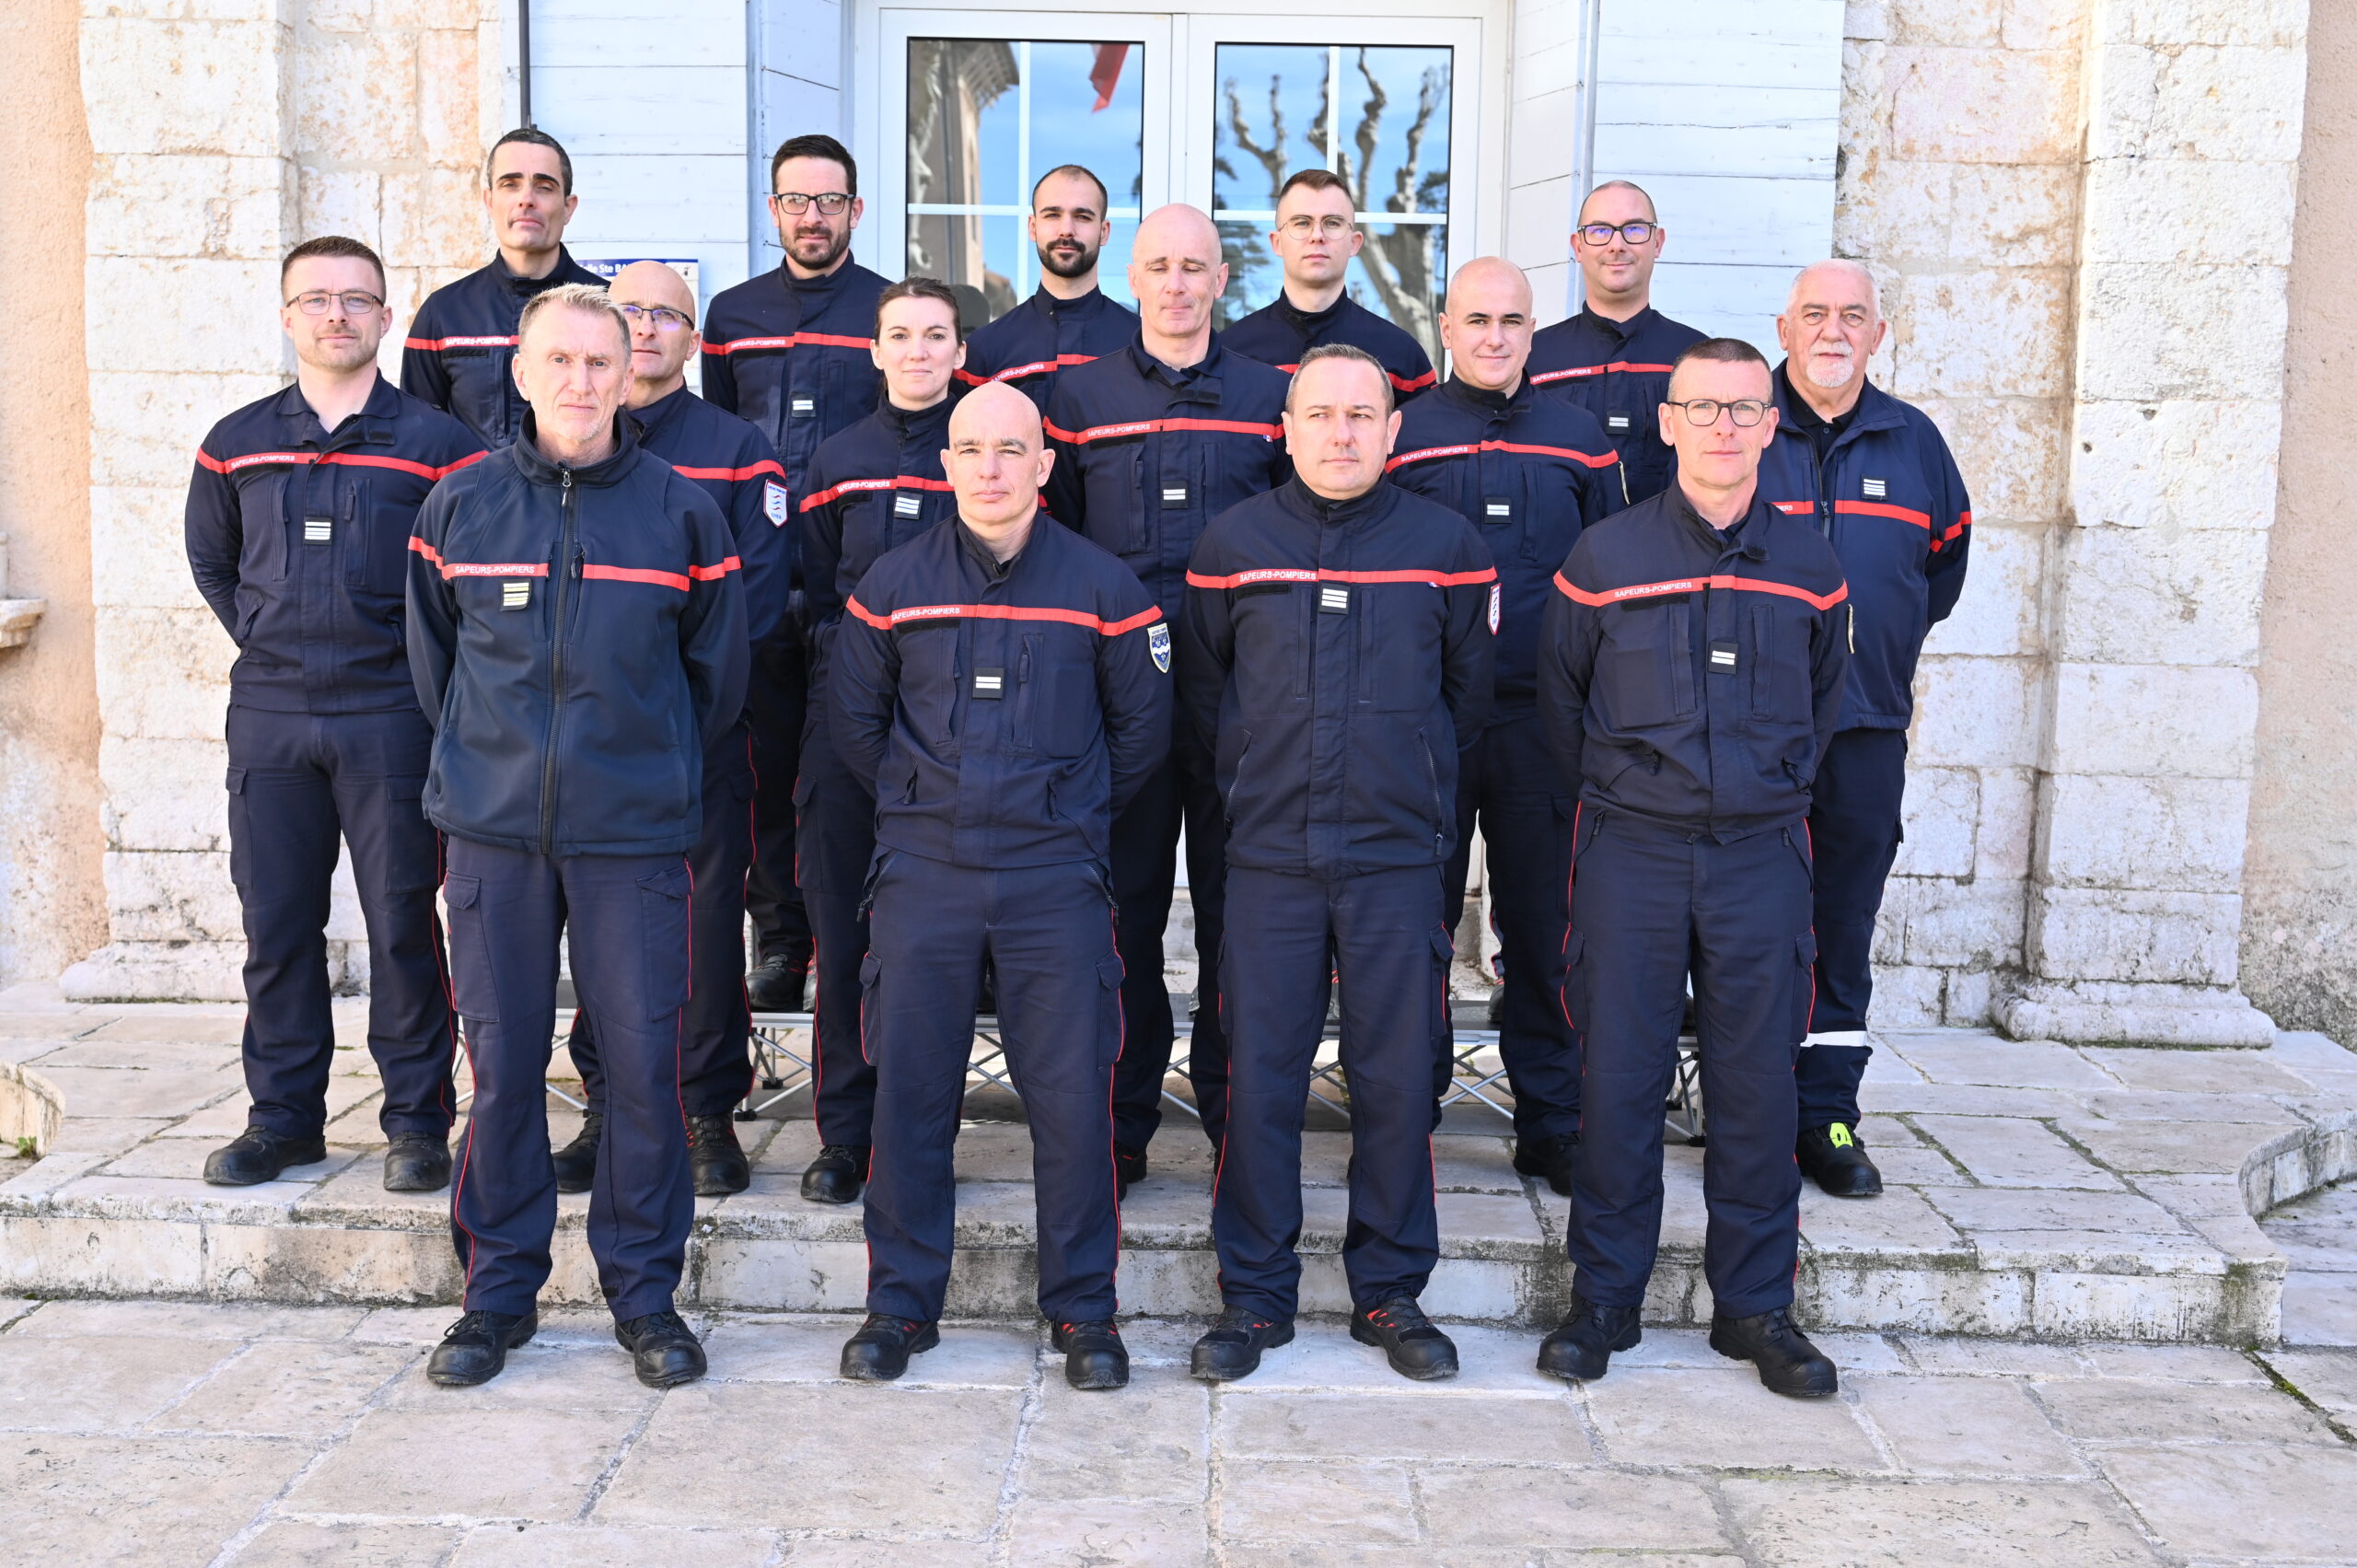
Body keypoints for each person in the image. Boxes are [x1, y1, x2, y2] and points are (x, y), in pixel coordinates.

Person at [406, 285, 747, 1389]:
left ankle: (644, 1296)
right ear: (521, 369)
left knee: (642, 1071)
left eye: (601, 360)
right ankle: (495, 1297)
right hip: (495, 837)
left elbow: (715, 679)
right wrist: (491, 767)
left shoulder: (682, 514)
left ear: (631, 370)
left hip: (632, 838)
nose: (581, 380)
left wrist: (644, 768)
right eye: (559, 359)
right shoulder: (458, 506)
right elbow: (436, 669)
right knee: (504, 1068)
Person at [830, 383, 1170, 1388]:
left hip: (1053, 878)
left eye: (1011, 448)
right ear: (945, 463)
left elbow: (1141, 732)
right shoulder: (892, 583)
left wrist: (1064, 811)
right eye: (970, 448)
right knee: (911, 1095)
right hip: (924, 876)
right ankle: (900, 1305)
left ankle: (1084, 1311)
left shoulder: (1105, 587)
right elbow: (855, 724)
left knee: (1071, 1103)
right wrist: (919, 803)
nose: (989, 467)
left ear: (1044, 464)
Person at [1534, 337, 1848, 1397]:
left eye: (1743, 408)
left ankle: (1754, 1306)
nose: (1722, 425)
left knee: (1755, 1084)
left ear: (1770, 424)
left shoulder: (1810, 566)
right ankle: (1603, 1298)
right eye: (1702, 406)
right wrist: (1636, 794)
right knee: (1618, 1077)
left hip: (1760, 856)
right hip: (1633, 851)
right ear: (1666, 422)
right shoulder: (1602, 558)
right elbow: (1560, 705)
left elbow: (1824, 704)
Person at [1181, 344, 1495, 1384]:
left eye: (1363, 414)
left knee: (1397, 1080)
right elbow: (1207, 697)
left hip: (1394, 859)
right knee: (1258, 1082)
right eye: (1320, 414)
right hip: (1269, 858)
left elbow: (1467, 700)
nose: (1342, 432)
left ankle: (1390, 1290)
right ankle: (1255, 1295)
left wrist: (1415, 790)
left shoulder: (1446, 547)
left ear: (1394, 430)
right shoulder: (1232, 544)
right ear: (1287, 427)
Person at [185, 236, 485, 1192]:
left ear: (386, 317)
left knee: (402, 920)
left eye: (356, 298)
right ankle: (283, 1119)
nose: (336, 314)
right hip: (271, 713)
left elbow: (470, 574)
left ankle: (416, 1121)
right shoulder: (235, 441)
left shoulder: (439, 446)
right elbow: (212, 561)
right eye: (315, 298)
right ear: (287, 316)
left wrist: (415, 665)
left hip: (390, 712)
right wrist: (264, 634)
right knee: (277, 921)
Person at [1042, 203, 1292, 1187]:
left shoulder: (1272, 394)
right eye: (1160, 266)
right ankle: (1120, 1123)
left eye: (1196, 266)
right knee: (1123, 917)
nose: (1178, 284)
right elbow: (1058, 543)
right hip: (1119, 700)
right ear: (1132, 277)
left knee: (1242, 920)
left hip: (1247, 702)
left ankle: (1236, 1119)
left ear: (1223, 280)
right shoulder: (1078, 396)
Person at [549, 261, 794, 1200]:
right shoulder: (566, 446)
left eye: (667, 314)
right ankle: (607, 1106)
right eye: (631, 312)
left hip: (696, 738)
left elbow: (750, 606)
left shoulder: (735, 450)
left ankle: (704, 1112)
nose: (647, 327)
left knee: (701, 931)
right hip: (583, 749)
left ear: (695, 339)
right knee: (596, 932)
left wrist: (662, 707)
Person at [1386, 257, 1622, 1191]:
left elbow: (1610, 573)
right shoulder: (1403, 433)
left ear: (1533, 331)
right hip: (1426, 721)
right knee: (1416, 923)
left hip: (1542, 722)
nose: (1494, 336)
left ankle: (1551, 1119)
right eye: (1476, 320)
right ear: (1446, 328)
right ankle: (1409, 1110)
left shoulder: (1579, 439)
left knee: (1545, 926)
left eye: (1511, 321)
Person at [1759, 259, 1972, 1198]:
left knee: (1840, 926)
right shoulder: (1742, 424)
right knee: (1737, 922)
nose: (1832, 329)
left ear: (1878, 334)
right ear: (1784, 329)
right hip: (1750, 733)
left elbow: (1939, 572)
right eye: (1814, 313)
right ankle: (1743, 1103)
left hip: (1863, 730)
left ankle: (1826, 1113)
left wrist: (1868, 650)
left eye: (1853, 315)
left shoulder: (1914, 441)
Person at [702, 132, 891, 1016]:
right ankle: (782, 943)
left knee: (861, 775)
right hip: (757, 584)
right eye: (796, 200)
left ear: (857, 209)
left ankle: (869, 935)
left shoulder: (888, 311)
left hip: (858, 586)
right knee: (769, 775)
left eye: (830, 201)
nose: (813, 217)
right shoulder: (732, 316)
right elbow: (716, 443)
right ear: (773, 208)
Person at [790, 277, 970, 1205]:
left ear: (958, 351)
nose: (917, 351)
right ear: (875, 349)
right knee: (844, 931)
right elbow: (815, 585)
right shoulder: (837, 457)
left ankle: (926, 1133)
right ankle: (845, 1134)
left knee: (940, 943)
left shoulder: (983, 449)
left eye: (935, 335)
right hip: (847, 716)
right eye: (901, 334)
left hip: (959, 726)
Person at [402, 128, 605, 449]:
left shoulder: (609, 308)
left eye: (544, 187)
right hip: (473, 485)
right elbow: (417, 435)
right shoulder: (443, 313)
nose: (527, 199)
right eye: (510, 184)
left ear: (568, 207)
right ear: (489, 200)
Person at [1527, 180, 1705, 506]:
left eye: (1634, 230)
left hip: (1671, 538)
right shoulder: (1535, 359)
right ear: (1578, 247)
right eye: (1600, 231)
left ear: (1658, 242)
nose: (1617, 245)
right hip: (1564, 540)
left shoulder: (1698, 358)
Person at [1221, 168, 1436, 399]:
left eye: (1332, 223)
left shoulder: (1402, 355)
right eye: (1302, 223)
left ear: (1354, 243)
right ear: (1277, 242)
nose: (1317, 235)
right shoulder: (1230, 351)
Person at [958, 165, 1139, 409]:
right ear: (1032, 227)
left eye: (1082, 217)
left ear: (1104, 232)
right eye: (1052, 215)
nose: (1066, 230)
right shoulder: (986, 349)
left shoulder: (1140, 344)